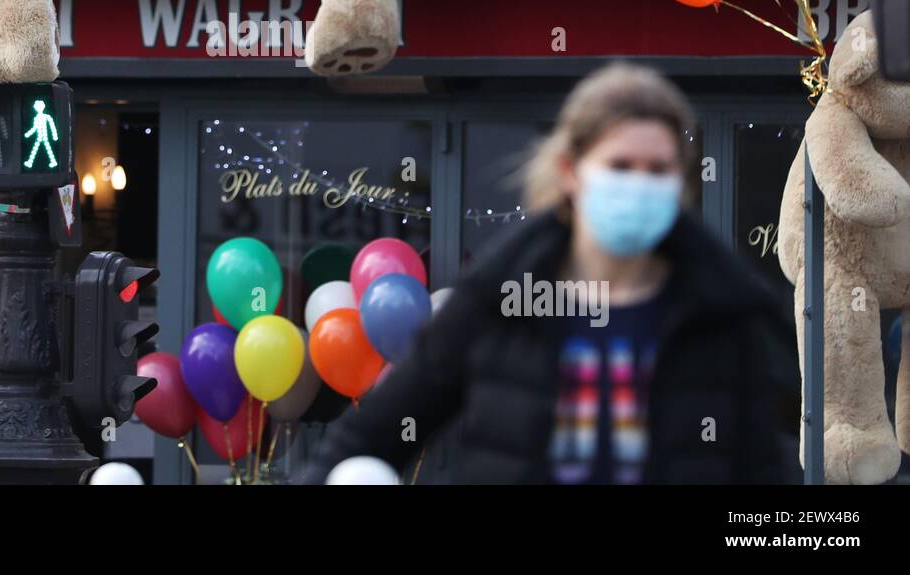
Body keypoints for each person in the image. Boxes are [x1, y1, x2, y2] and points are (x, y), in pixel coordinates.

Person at [302, 63, 788, 484]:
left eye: (658, 169)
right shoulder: (497, 301)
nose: (640, 183)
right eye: (620, 164)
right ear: (571, 171)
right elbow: (369, 437)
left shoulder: (725, 315)